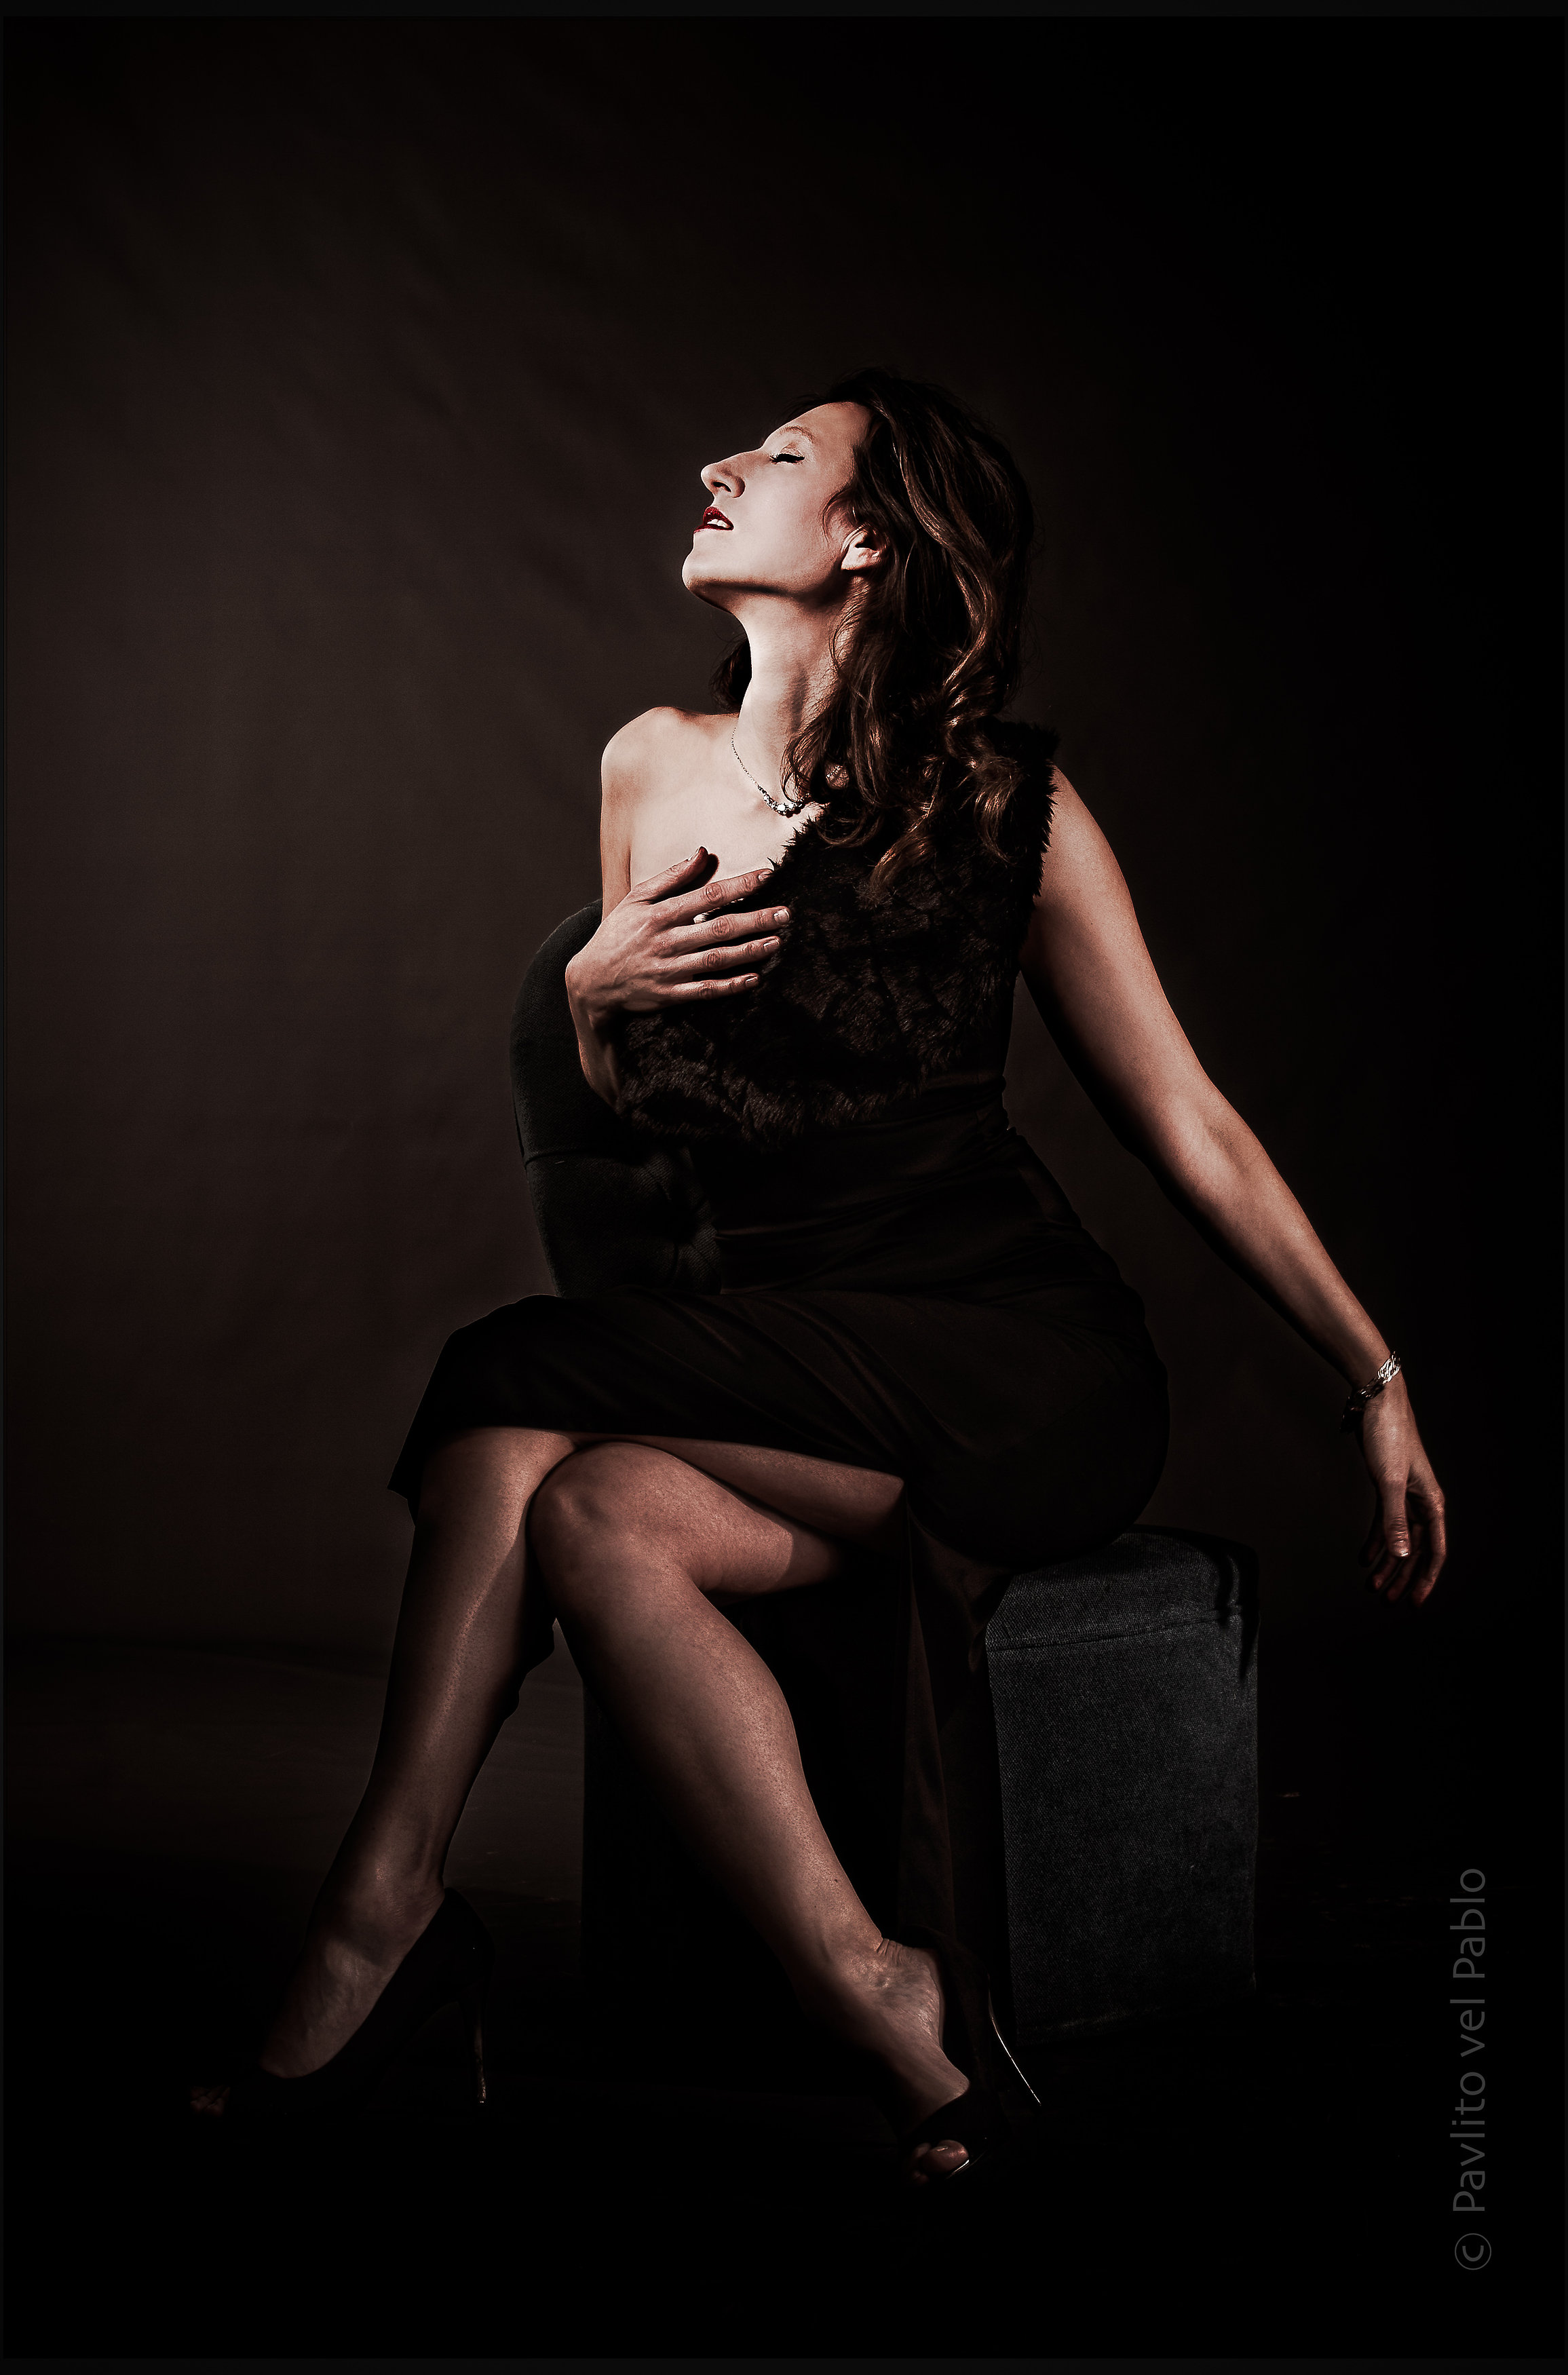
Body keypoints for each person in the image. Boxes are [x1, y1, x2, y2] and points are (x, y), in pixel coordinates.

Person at [197, 370, 1447, 2184]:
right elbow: (652, 1114)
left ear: (867, 540)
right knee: (591, 1513)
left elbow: (1186, 1120)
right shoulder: (649, 763)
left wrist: (1372, 1372)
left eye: (779, 456)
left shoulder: (1006, 802)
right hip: (783, 1347)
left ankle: (375, 1927)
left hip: (1017, 1361)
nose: (719, 464)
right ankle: (872, 1985)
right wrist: (583, 1006)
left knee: (501, 1382)